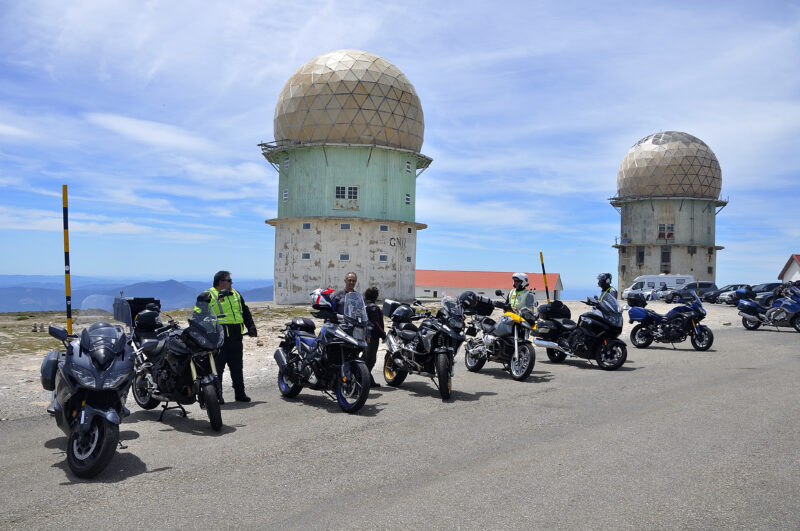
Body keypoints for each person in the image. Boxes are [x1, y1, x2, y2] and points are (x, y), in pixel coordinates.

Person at [204, 270, 257, 403]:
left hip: (236, 337)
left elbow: (245, 311)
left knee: (237, 367)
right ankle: (217, 396)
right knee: (218, 369)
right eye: (229, 280)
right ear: (220, 282)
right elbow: (199, 316)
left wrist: (251, 327)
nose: (231, 283)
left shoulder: (236, 294)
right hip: (219, 338)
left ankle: (240, 394)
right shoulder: (208, 295)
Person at [363, 286, 386, 388]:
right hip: (372, 337)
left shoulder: (365, 305)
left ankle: (369, 379)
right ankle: (364, 379)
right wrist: (383, 335)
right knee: (370, 360)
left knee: (365, 357)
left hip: (365, 335)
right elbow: (376, 324)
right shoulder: (373, 308)